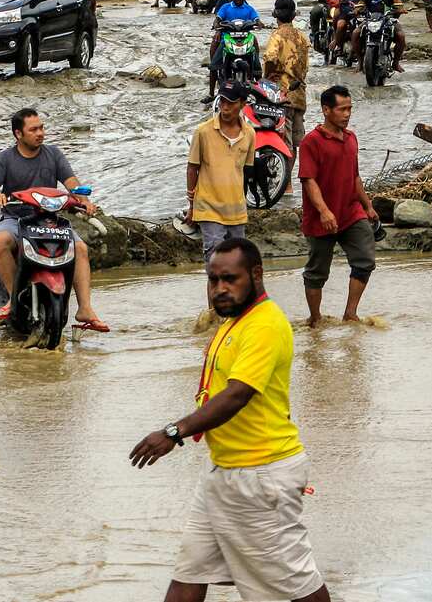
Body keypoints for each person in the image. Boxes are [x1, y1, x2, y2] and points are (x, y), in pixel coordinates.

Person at [129, 238, 331, 602]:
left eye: (229, 279)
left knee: (297, 585)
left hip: (261, 475)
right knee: (188, 574)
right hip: (224, 471)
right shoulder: (235, 320)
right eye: (212, 280)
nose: (219, 289)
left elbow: (237, 394)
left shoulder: (265, 325)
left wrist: (174, 432)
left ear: (256, 274)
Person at [0, 108, 107, 333]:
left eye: (41, 128)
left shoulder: (54, 154)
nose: (40, 133)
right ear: (18, 134)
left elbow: (72, 183)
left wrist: (84, 200)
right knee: (0, 241)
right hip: (15, 219)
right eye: (33, 130)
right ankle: (12, 298)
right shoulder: (5, 158)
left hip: (50, 221)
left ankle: (85, 308)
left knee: (80, 248)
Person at [298, 85, 380, 326]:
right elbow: (308, 180)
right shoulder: (311, 142)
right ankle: (315, 318)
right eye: (342, 109)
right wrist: (323, 211)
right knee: (317, 272)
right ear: (326, 110)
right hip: (321, 217)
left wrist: (368, 205)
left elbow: (354, 176)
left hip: (350, 212)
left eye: (349, 109)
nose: (347, 114)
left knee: (365, 260)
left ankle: (350, 313)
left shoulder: (352, 138)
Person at [186, 82, 256, 259]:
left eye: (230, 103)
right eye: (222, 101)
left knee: (238, 262)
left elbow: (246, 171)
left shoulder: (249, 134)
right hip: (208, 207)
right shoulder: (203, 132)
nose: (224, 107)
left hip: (236, 210)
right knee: (215, 261)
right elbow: (192, 167)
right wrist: (191, 206)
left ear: (242, 104)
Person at [261, 0, 310, 152]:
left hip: (281, 95)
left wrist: (266, 78)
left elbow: (270, 58)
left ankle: (284, 176)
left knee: (283, 143)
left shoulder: (277, 36)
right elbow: (306, 66)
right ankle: (289, 176)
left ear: (275, 14)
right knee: (295, 145)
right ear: (294, 15)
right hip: (299, 94)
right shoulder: (302, 37)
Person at [207, 0, 261, 101]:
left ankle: (261, 90)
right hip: (227, 39)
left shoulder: (249, 9)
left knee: (257, 62)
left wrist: (258, 23)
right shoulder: (225, 8)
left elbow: (256, 19)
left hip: (246, 38)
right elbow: (218, 19)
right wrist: (217, 24)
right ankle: (211, 94)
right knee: (214, 65)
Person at [353, 0, 407, 72]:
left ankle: (395, 63)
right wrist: (357, 9)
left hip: (387, 18)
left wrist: (400, 8)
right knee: (356, 33)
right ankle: (360, 62)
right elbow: (362, 2)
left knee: (401, 36)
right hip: (370, 18)